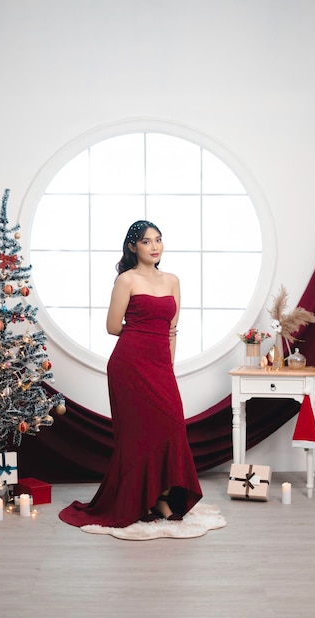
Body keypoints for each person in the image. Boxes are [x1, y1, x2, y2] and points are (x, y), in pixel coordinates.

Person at [59, 220, 202, 528]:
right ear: (132, 247)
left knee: (173, 427)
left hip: (160, 366)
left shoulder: (173, 281)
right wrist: (143, 333)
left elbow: (172, 329)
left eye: (159, 240)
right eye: (147, 241)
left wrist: (168, 366)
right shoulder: (126, 280)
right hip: (129, 366)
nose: (154, 246)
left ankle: (162, 496)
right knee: (137, 437)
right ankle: (140, 501)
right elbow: (112, 327)